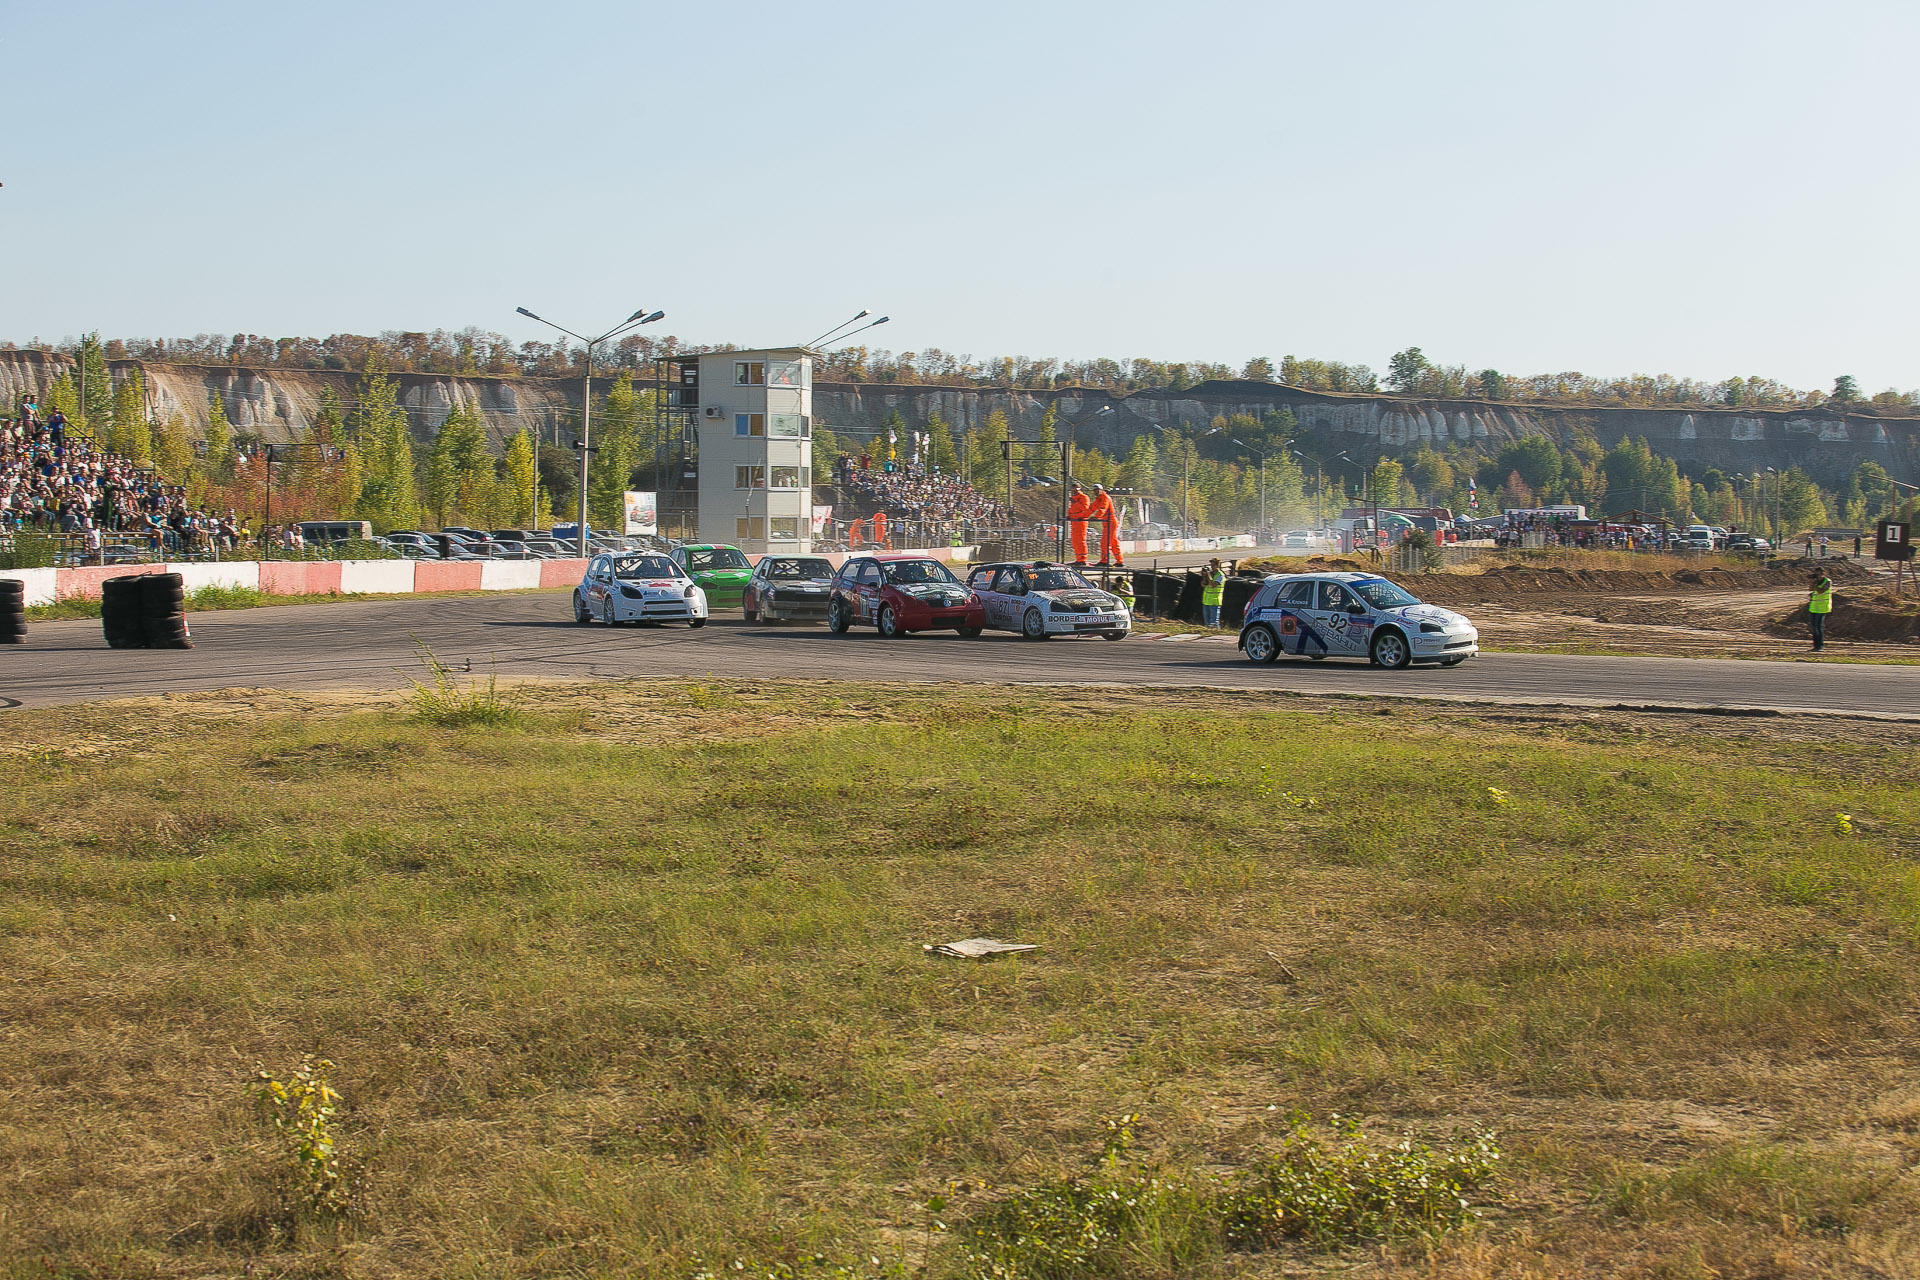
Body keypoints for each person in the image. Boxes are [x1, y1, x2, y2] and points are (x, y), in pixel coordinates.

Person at [1090, 483, 1123, 566]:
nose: (1096, 492)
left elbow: (1103, 508)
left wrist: (1096, 516)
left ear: (1101, 490)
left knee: (1105, 542)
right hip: (1107, 522)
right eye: (1094, 490)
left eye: (1097, 490)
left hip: (1110, 522)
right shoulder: (1099, 499)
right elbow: (1091, 508)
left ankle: (1104, 561)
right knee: (1113, 542)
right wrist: (1083, 516)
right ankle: (1119, 561)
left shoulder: (1105, 498)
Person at [1066, 481, 1092, 564]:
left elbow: (1085, 509)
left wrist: (1075, 503)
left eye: (1075, 489)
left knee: (1081, 540)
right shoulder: (1073, 499)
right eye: (1073, 489)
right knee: (1075, 541)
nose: (1074, 491)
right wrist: (1069, 515)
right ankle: (1078, 559)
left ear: (1079, 489)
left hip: (1081, 521)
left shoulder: (1084, 497)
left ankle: (1082, 559)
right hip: (1074, 522)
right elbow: (1071, 509)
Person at [1807, 570, 1833, 652]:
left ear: (1822, 574)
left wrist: (1815, 584)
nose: (1817, 576)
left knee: (1818, 626)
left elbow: (1821, 591)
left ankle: (1820, 646)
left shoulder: (1827, 582)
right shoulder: (1816, 582)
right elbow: (1810, 589)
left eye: (1818, 575)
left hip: (1822, 607)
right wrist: (1812, 582)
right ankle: (1815, 646)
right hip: (1814, 607)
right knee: (1813, 627)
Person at [1201, 557, 1226, 627]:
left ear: (1217, 565)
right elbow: (1203, 584)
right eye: (1211, 565)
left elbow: (1213, 585)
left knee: (1214, 623)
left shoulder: (1220, 575)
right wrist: (1204, 576)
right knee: (1207, 624)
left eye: (1213, 565)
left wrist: (1208, 575)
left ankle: (1216, 632)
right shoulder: (1210, 574)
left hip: (1214, 602)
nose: (1211, 567)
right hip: (1206, 601)